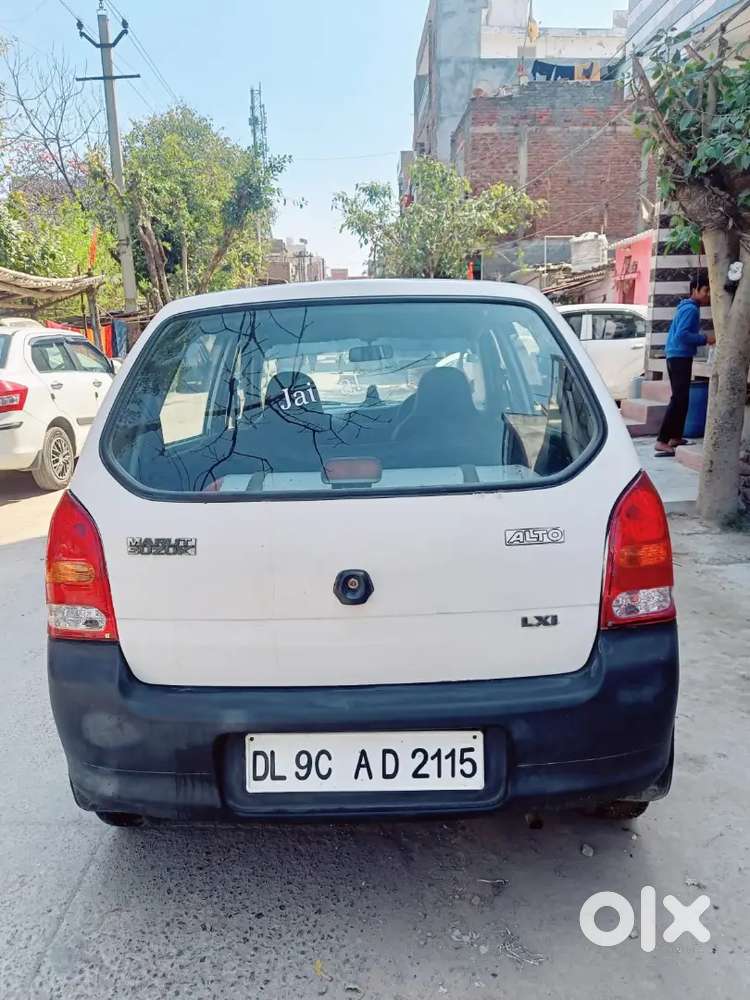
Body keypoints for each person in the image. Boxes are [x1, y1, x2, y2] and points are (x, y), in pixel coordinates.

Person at [655, 276, 715, 457]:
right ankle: (662, 441)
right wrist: (705, 339)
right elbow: (683, 335)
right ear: (695, 290)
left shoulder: (687, 307)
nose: (708, 295)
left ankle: (675, 437)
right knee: (678, 399)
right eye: (705, 291)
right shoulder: (690, 309)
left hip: (677, 355)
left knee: (682, 398)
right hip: (679, 356)